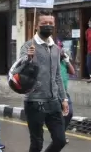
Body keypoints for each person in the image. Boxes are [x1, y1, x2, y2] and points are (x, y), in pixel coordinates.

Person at [20, 11, 68, 152]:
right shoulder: (28, 46)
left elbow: (57, 75)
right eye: (44, 24)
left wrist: (63, 98)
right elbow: (19, 68)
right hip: (34, 102)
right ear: (36, 26)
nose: (48, 26)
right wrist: (28, 58)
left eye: (50, 24)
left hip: (53, 101)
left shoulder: (55, 49)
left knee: (60, 140)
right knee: (37, 143)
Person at [56, 40, 75, 144]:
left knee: (69, 113)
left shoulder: (64, 62)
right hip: (55, 93)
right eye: (59, 49)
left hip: (65, 93)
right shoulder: (53, 62)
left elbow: (72, 72)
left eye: (61, 49)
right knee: (58, 115)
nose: (61, 51)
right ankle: (59, 136)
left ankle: (60, 133)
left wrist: (67, 61)